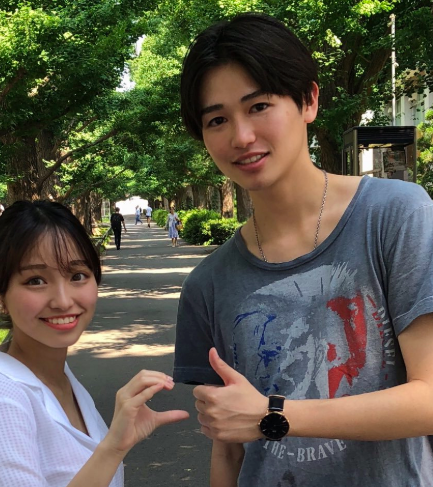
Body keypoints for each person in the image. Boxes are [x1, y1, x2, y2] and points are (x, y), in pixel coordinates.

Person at [173, 12, 433, 487]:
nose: (241, 137)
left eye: (259, 106)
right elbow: (228, 445)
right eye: (217, 120)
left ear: (308, 100)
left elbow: (429, 398)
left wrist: (274, 414)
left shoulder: (395, 216)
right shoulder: (207, 283)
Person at [0, 200, 188, 487]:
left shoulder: (60, 380)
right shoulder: (2, 404)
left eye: (77, 276)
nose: (63, 301)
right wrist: (112, 447)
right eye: (35, 280)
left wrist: (116, 444)